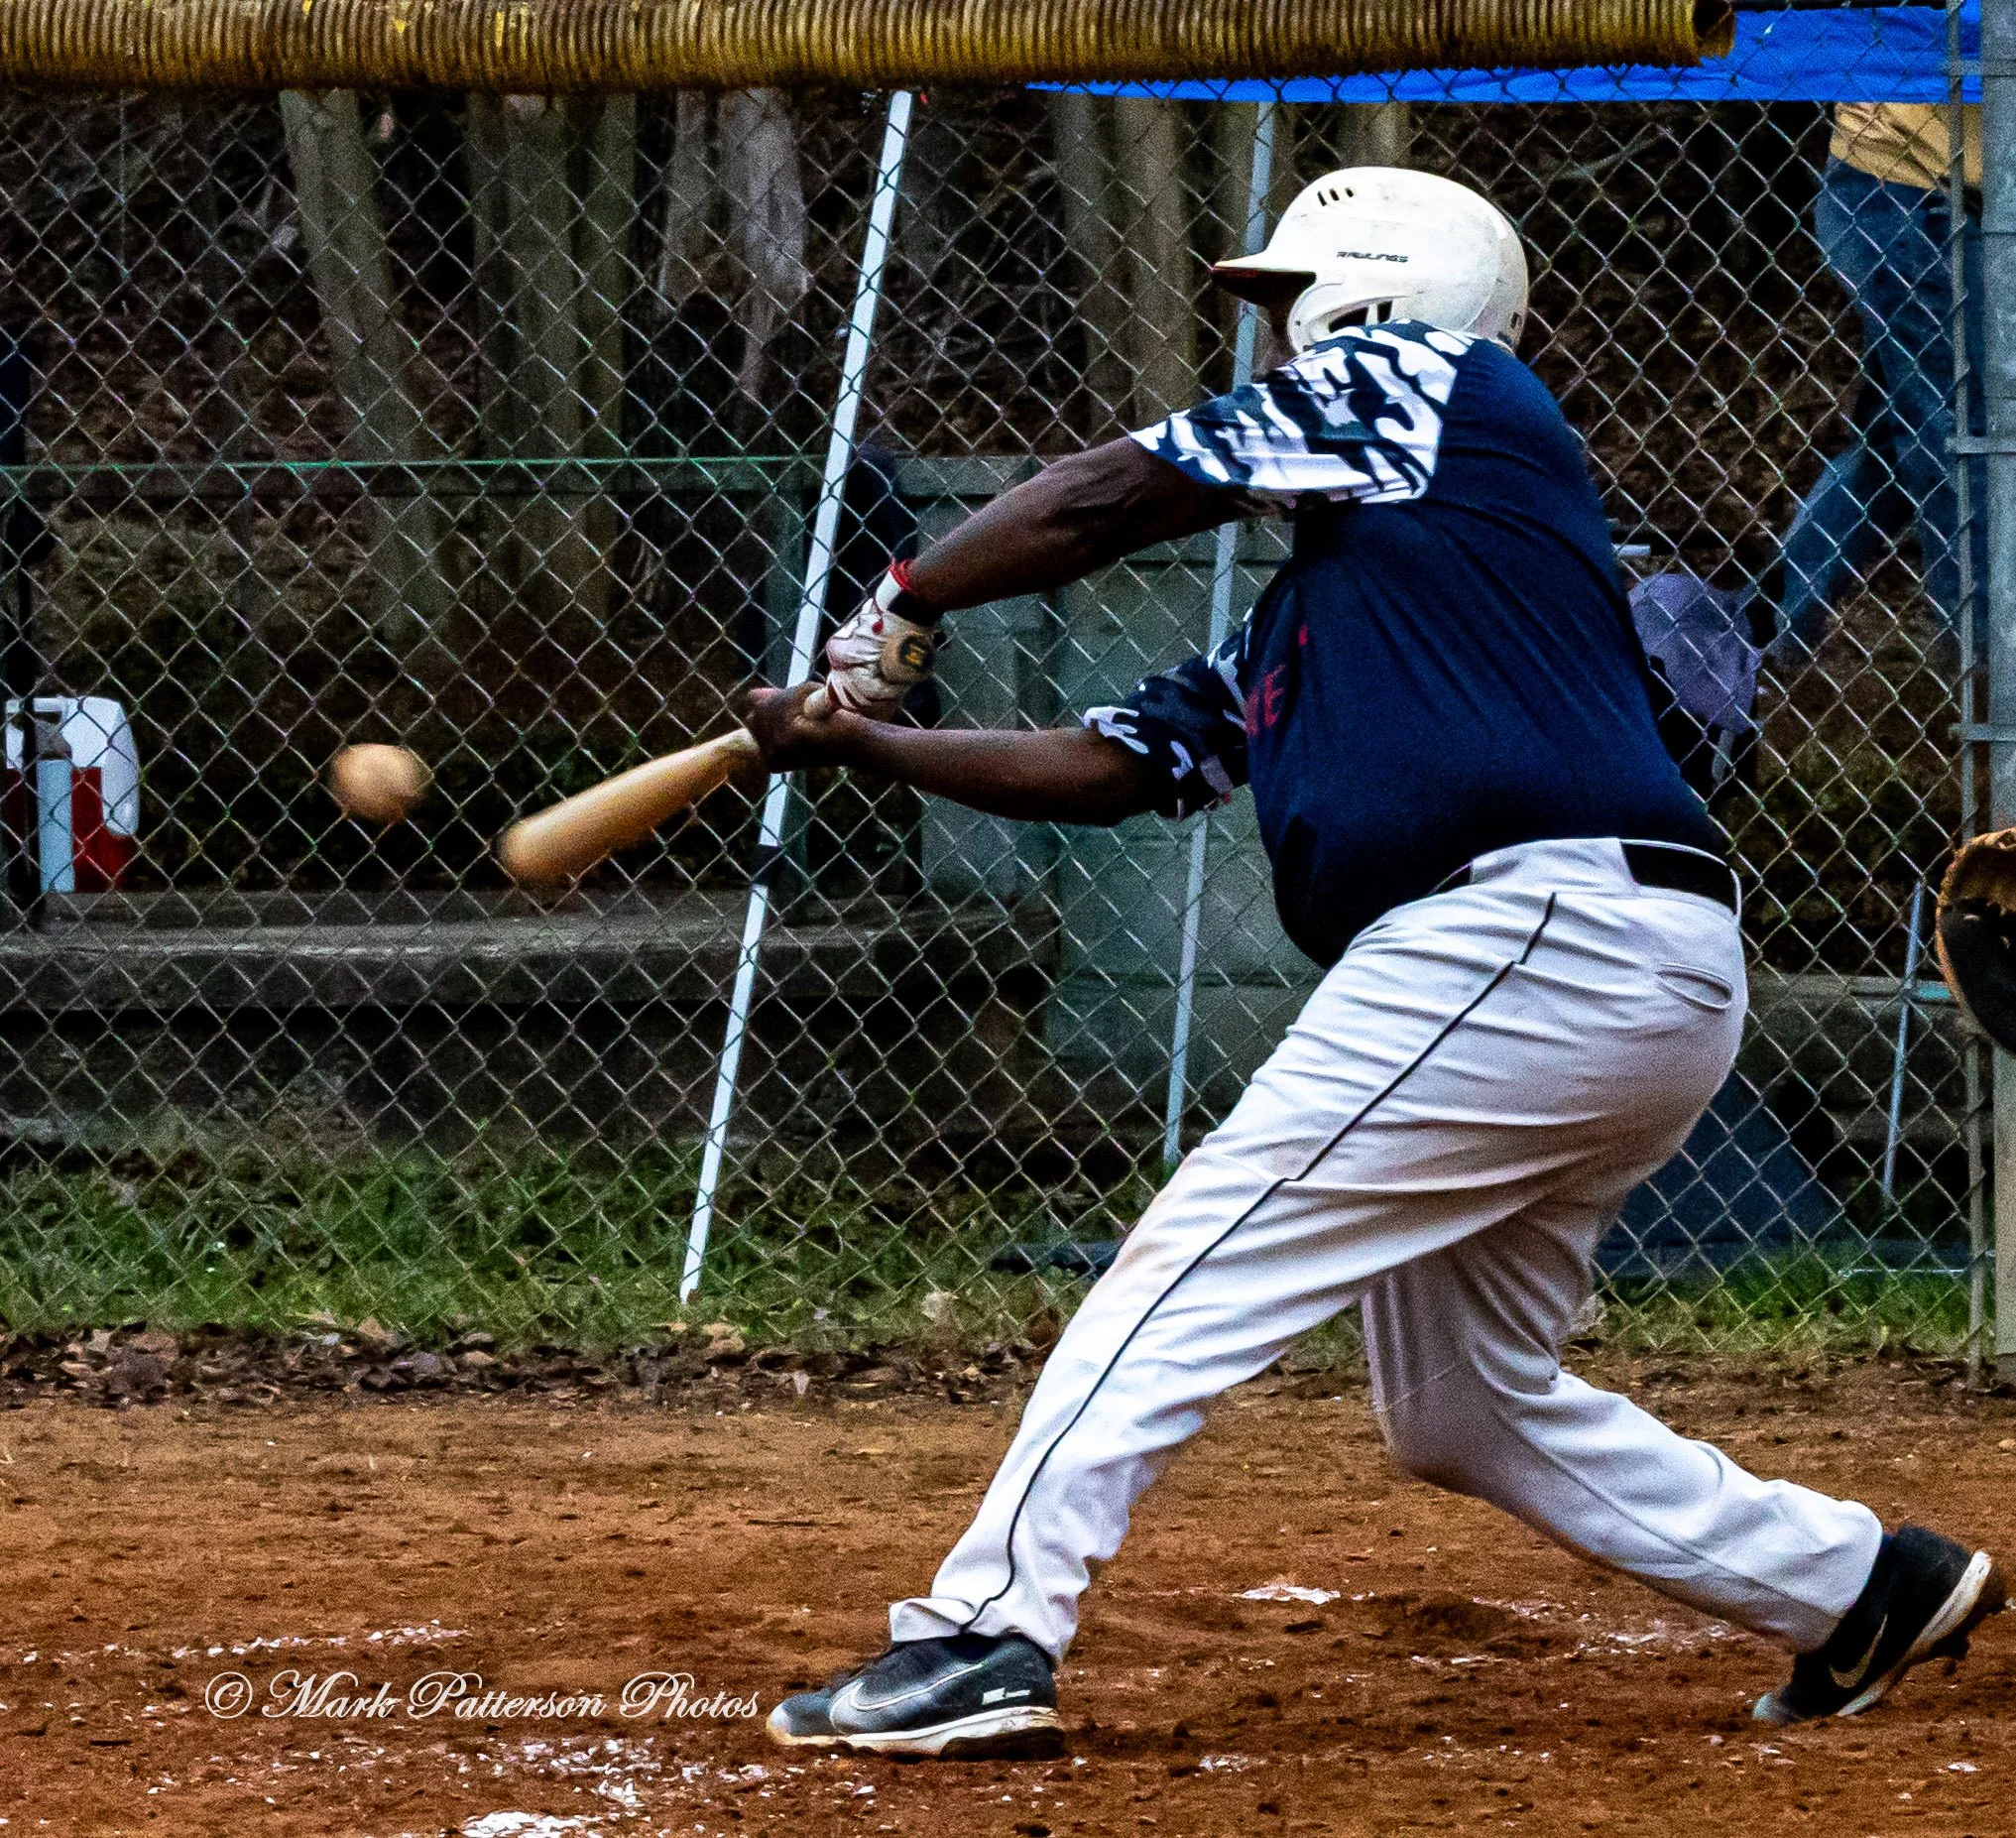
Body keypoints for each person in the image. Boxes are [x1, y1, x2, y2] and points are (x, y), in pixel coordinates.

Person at [746, 168, 2004, 1759]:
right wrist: (871, 742)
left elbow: (1102, 494)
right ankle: (1854, 1585)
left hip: (1531, 934)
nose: (1270, 343)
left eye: (1287, 307)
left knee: (1189, 1262)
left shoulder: (1440, 380)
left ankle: (986, 1630)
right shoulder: (1340, 600)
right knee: (1463, 1406)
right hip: (1602, 966)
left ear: (1374, 293)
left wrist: (908, 591)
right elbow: (1117, 762)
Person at [1768, 103, 1983, 657]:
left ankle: (1761, 630)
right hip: (1910, 190)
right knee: (1965, 437)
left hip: (1926, 189)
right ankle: (1988, 676)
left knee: (1898, 440)